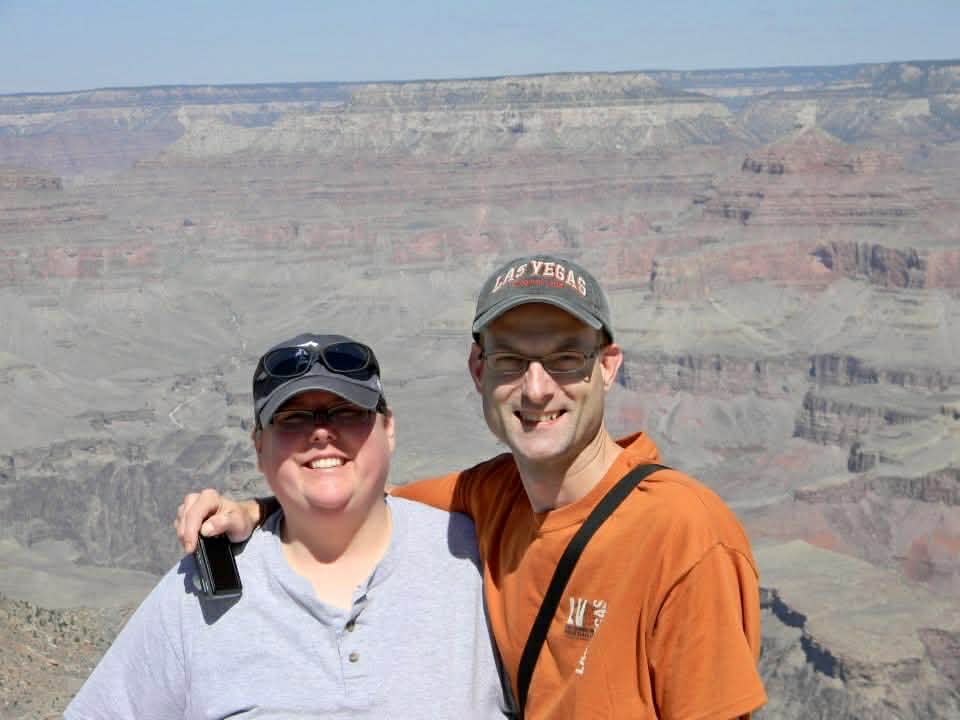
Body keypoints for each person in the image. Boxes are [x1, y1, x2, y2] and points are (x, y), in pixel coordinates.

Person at [176, 254, 768, 719]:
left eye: (565, 359)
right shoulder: (492, 496)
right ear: (479, 371)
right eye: (510, 362)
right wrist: (259, 508)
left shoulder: (683, 534)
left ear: (607, 366)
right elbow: (364, 499)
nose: (536, 390)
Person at [67, 333, 505, 719]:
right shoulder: (196, 592)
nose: (321, 434)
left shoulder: (480, 560)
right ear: (259, 447)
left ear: (388, 428)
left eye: (347, 412)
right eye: (293, 419)